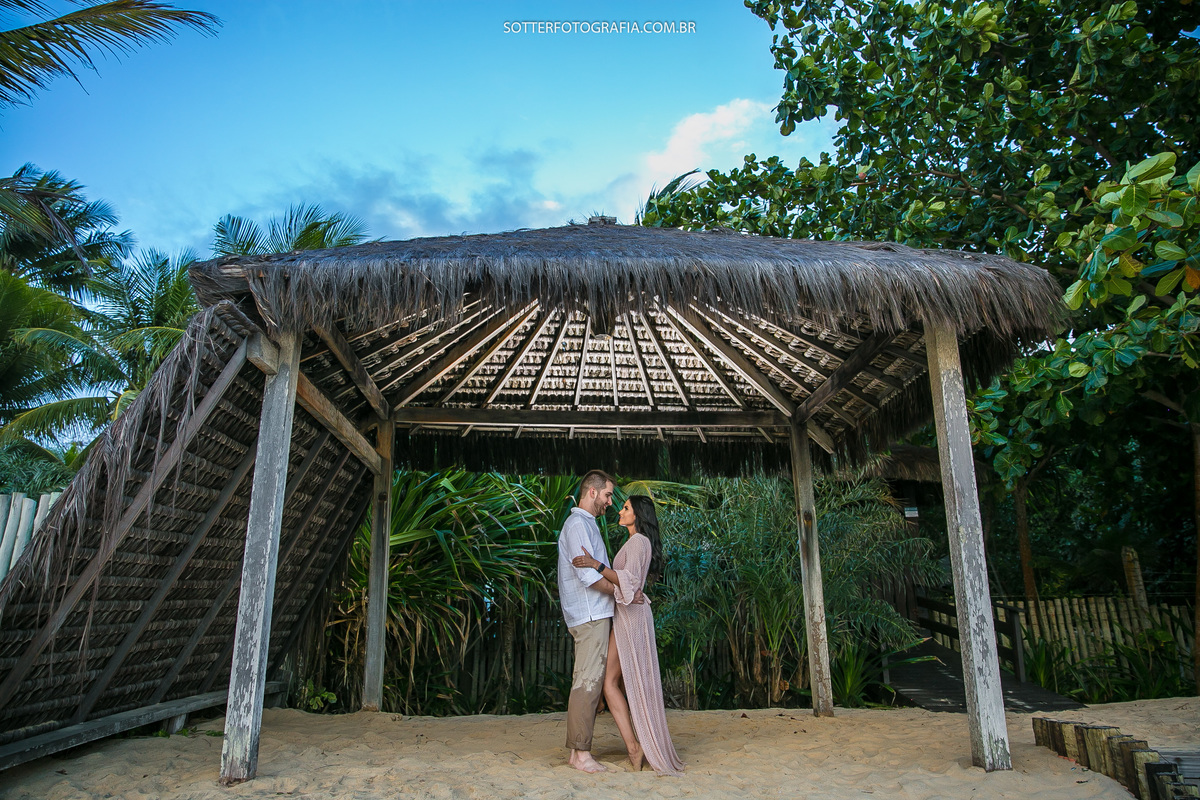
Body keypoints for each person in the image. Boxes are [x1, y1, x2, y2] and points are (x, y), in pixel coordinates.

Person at [573, 494, 684, 776]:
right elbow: (629, 584)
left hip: (631, 618)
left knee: (609, 682)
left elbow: (630, 583)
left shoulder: (638, 542)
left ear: (638, 515)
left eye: (626, 508)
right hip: (628, 616)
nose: (620, 511)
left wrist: (595, 564)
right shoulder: (636, 542)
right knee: (611, 682)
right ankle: (635, 745)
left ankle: (635, 747)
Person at [556, 469, 618, 773]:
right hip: (590, 613)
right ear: (591, 491)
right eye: (607, 495)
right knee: (587, 682)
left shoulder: (586, 524)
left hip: (594, 613)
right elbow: (587, 575)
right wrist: (620, 591)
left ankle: (576, 753)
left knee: (590, 681)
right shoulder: (578, 524)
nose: (610, 502)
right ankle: (580, 754)